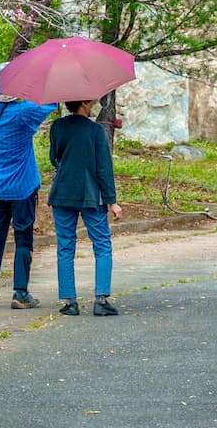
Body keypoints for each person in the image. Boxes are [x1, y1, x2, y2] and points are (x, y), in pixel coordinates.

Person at [0, 63, 53, 309]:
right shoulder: (24, 112)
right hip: (22, 187)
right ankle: (20, 293)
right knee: (23, 238)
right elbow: (50, 102)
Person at [49, 99, 121, 316]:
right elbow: (104, 169)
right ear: (84, 103)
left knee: (65, 246)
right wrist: (112, 201)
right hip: (91, 195)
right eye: (90, 101)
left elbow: (54, 159)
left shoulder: (57, 127)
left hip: (62, 193)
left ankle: (70, 301)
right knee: (102, 245)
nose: (94, 103)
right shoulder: (96, 131)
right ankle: (101, 299)